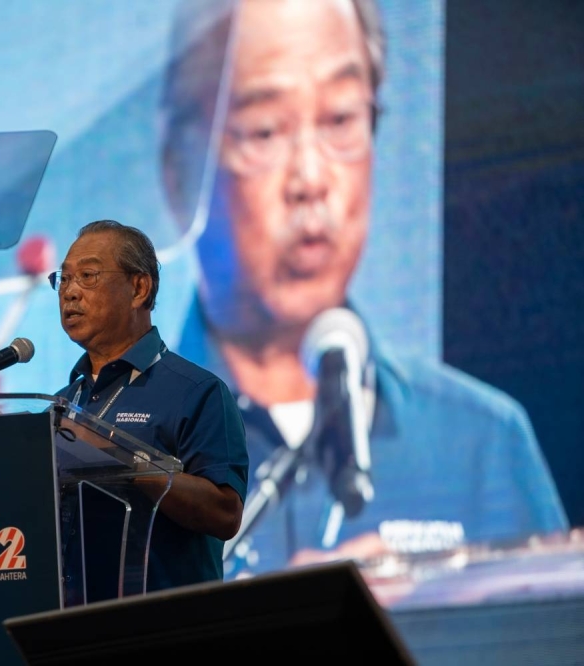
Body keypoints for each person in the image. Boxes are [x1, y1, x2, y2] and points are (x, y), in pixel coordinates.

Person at [158, 0, 569, 577]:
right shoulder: (106, 453)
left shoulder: (481, 441)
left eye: (341, 120)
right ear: (178, 171)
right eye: (265, 130)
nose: (311, 179)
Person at [51, 219, 249, 593]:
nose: (70, 292)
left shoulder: (197, 391)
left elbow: (225, 513)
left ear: (139, 288)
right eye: (63, 279)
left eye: (88, 275)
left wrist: (116, 456)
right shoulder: (65, 402)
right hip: (70, 623)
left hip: (161, 628)